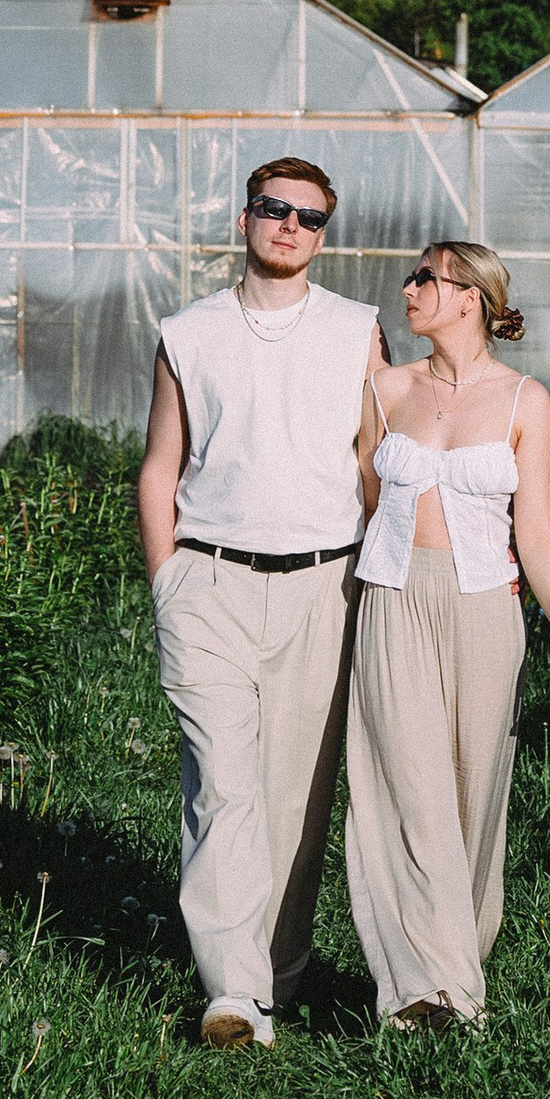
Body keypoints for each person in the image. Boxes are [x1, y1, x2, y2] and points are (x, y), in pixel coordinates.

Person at [137, 159, 385, 1048]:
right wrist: (168, 579)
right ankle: (231, 992)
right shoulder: (188, 333)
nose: (290, 227)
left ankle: (277, 973)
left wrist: (383, 575)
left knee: (296, 797)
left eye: (310, 218)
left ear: (325, 235)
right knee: (224, 789)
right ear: (246, 217)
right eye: (275, 210)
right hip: (209, 581)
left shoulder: (358, 330)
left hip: (326, 581)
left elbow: (372, 462)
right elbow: (161, 464)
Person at [344, 240, 550, 1032]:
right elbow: (371, 498)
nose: (409, 289)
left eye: (426, 279)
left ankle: (459, 952)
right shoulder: (384, 390)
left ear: (470, 298)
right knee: (403, 786)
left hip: (486, 607)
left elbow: (536, 525)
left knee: (472, 790)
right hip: (393, 596)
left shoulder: (525, 401)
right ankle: (427, 990)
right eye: (412, 277)